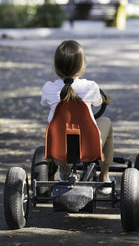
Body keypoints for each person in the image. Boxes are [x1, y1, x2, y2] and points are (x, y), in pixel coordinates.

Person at [40, 40, 114, 195]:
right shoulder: (91, 86)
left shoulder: (48, 87)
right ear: (82, 66)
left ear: (56, 66)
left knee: (54, 127)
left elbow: (43, 102)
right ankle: (104, 177)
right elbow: (98, 102)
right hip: (89, 145)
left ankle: (63, 168)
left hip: (58, 147)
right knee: (106, 122)